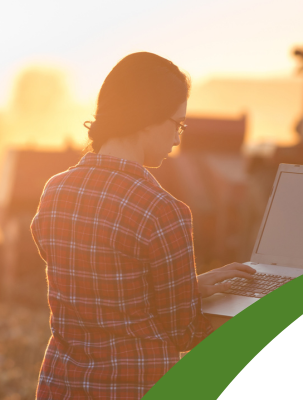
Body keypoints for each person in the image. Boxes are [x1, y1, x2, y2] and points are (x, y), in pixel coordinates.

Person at [30, 52, 255, 399]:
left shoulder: (55, 190)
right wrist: (256, 309)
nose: (178, 139)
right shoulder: (163, 211)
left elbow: (101, 292)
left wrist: (187, 287)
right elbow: (184, 334)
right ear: (148, 118)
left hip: (61, 386)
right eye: (177, 124)